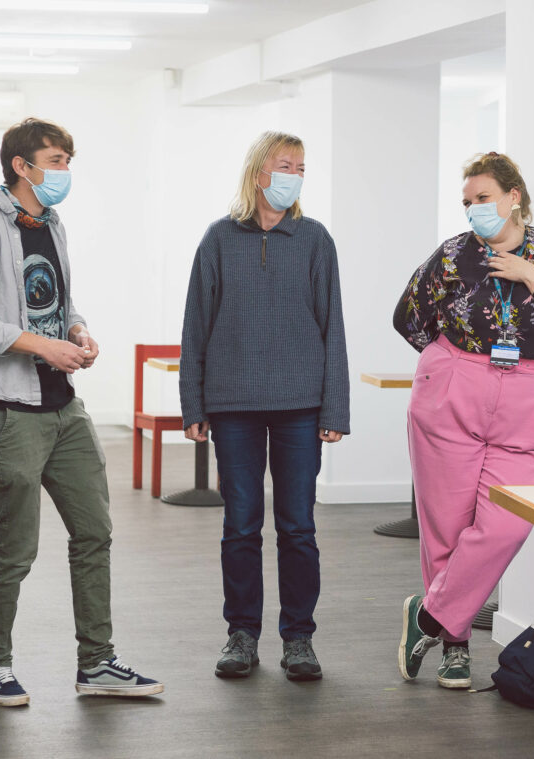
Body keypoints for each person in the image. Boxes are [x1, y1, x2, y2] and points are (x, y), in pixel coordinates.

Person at [0, 117, 162, 706]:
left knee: (94, 534)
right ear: (23, 166)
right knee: (16, 547)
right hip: (9, 412)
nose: (64, 171)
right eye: (56, 160)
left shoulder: (52, 225)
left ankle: (96, 662)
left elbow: (58, 302)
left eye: (69, 161)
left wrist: (77, 329)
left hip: (65, 408)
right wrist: (41, 345)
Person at [393, 151, 534, 689]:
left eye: (483, 198)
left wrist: (532, 276)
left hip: (529, 394)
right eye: (467, 202)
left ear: (515, 197)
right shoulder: (456, 254)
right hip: (453, 389)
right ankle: (455, 648)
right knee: (446, 525)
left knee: (509, 521)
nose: (474, 210)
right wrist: (453, 366)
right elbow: (409, 315)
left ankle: (430, 615)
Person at [179, 130, 350, 682]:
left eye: (301, 167)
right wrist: (193, 403)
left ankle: (298, 638)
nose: (294, 175)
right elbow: (196, 327)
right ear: (259, 173)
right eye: (285, 165)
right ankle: (242, 634)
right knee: (240, 524)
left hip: (301, 404)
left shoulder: (315, 240)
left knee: (298, 526)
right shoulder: (219, 239)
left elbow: (333, 329)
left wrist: (334, 410)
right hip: (233, 405)